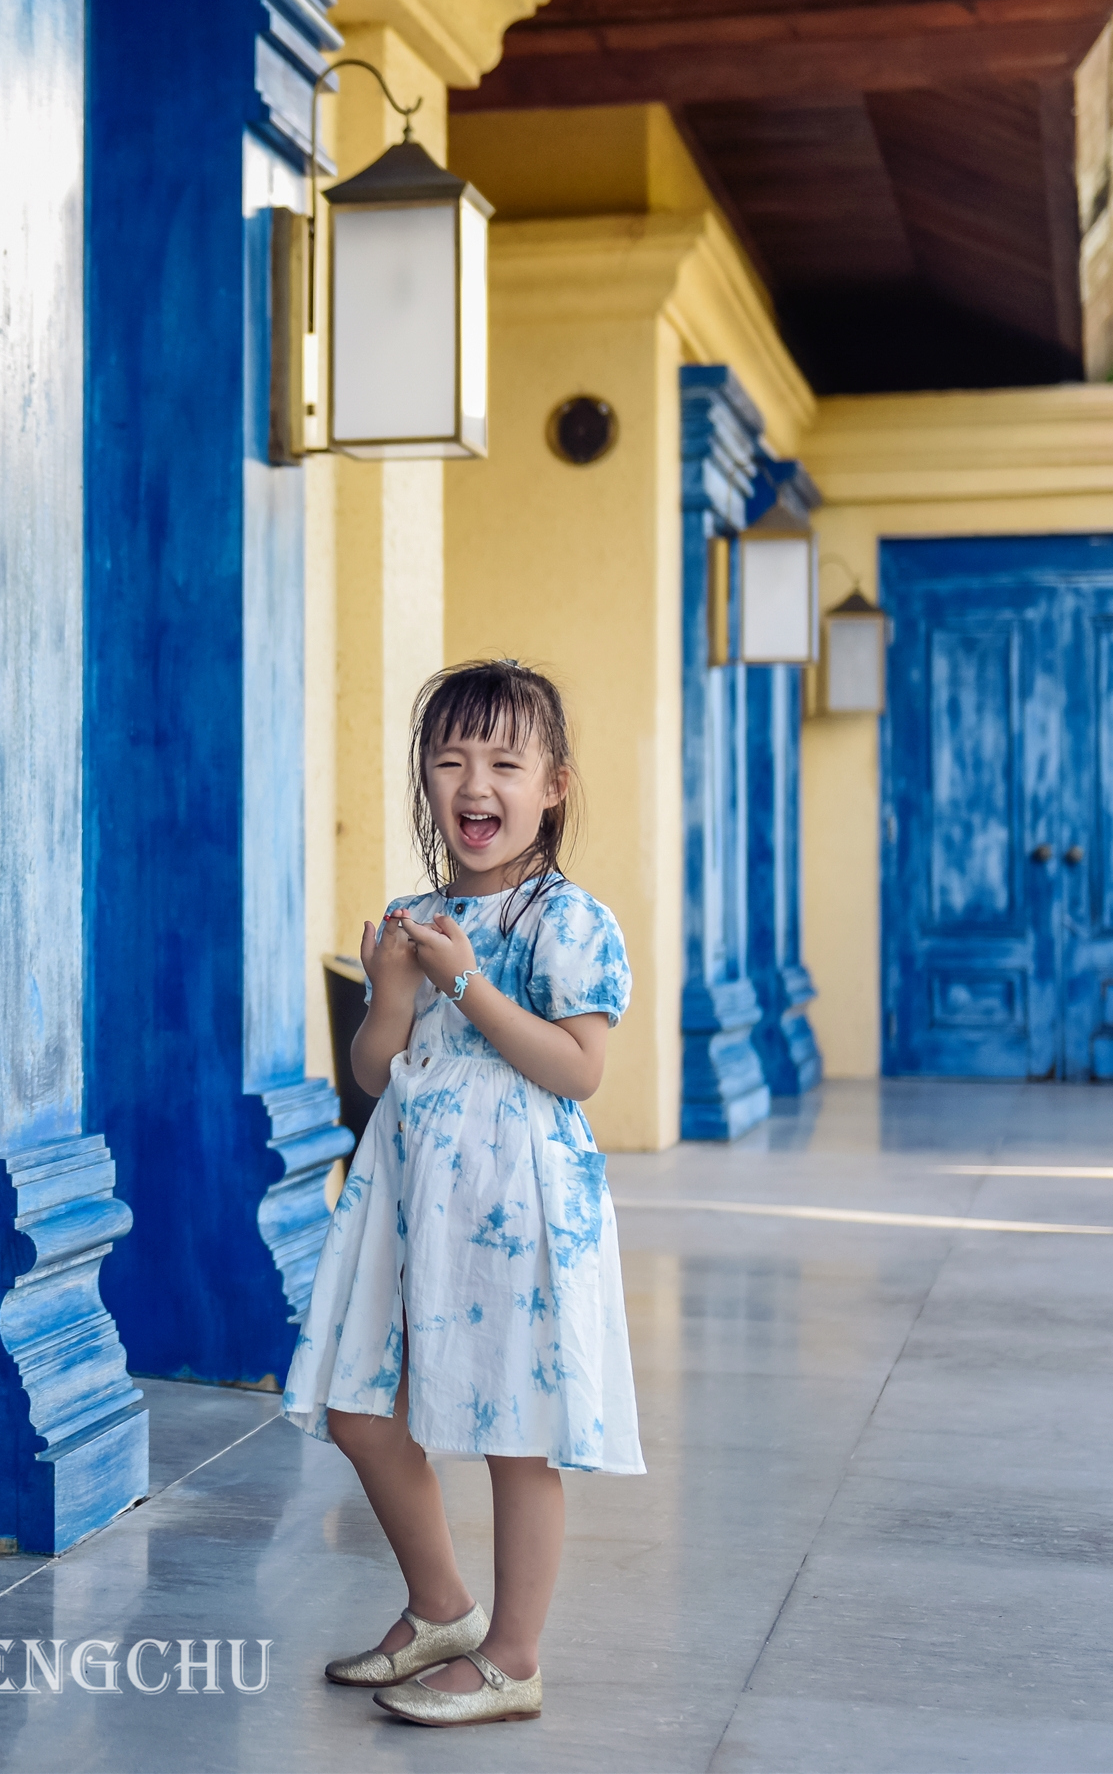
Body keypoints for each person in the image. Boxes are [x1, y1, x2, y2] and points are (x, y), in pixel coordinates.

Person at [281, 659, 641, 1728]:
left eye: (504, 760)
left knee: (512, 1426)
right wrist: (390, 991)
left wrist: (464, 983)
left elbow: (577, 1069)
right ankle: (441, 1606)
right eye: (449, 760)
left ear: (554, 785)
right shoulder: (415, 914)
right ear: (426, 782)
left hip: (516, 1198)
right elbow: (377, 1073)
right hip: (408, 1195)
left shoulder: (566, 920)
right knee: (359, 1403)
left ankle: (513, 1655)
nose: (474, 783)